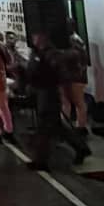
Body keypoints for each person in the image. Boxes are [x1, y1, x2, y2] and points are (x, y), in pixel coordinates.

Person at [24, 30, 90, 170]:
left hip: (48, 94)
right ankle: (81, 147)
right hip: (41, 93)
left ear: (43, 38)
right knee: (56, 127)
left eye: (36, 36)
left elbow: (57, 72)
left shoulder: (51, 54)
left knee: (44, 128)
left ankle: (41, 161)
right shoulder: (38, 53)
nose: (34, 38)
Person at [61, 25, 90, 133]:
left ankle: (81, 127)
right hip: (68, 75)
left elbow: (79, 60)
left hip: (76, 76)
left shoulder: (75, 41)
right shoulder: (68, 40)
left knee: (78, 102)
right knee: (66, 101)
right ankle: (66, 126)